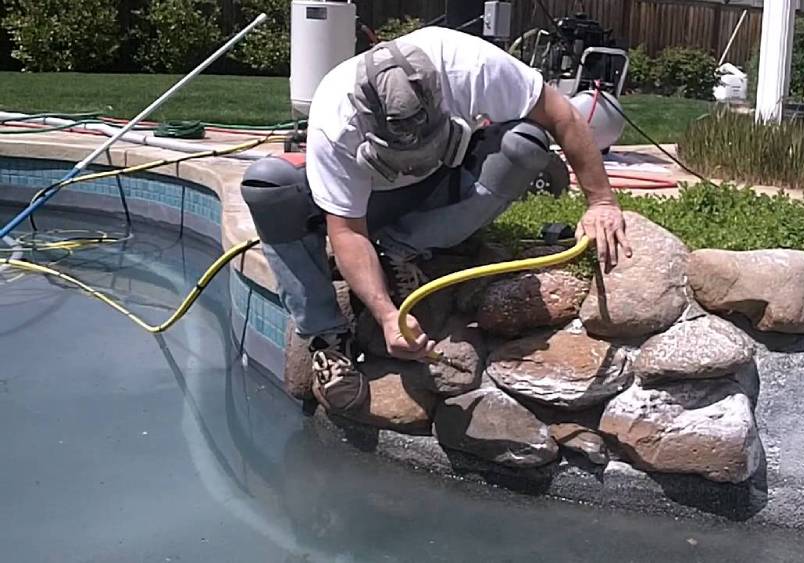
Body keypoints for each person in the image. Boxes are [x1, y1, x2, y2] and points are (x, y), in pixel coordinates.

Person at [241, 27, 631, 414]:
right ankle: (328, 338)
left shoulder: (471, 66)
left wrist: (601, 201)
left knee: (526, 143)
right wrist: (387, 316)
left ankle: (403, 248)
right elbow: (346, 230)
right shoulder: (335, 117)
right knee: (268, 186)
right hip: (373, 202)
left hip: (446, 182)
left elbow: (561, 115)